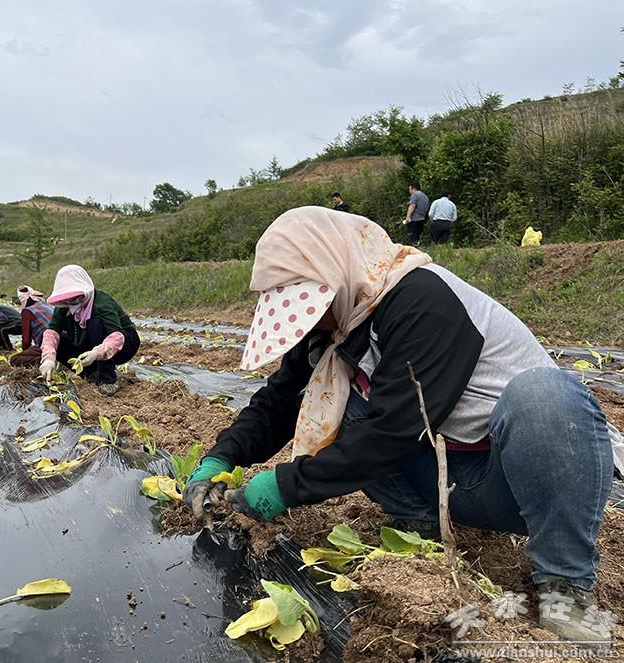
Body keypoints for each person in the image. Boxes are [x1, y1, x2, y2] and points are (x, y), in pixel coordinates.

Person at [182, 207, 621, 644]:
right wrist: (221, 456)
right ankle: (420, 524)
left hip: (522, 484)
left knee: (543, 395)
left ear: (338, 272)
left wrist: (283, 487)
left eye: (311, 302)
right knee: (343, 402)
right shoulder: (337, 324)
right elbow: (277, 402)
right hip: (445, 482)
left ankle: (565, 583)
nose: (312, 321)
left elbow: (392, 429)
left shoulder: (422, 299)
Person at [39, 265, 140, 396]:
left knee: (95, 323)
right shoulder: (64, 306)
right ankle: (91, 373)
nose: (73, 302)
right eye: (69, 299)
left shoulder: (102, 303)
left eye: (77, 297)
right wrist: (48, 359)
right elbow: (51, 333)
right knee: (56, 339)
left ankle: (108, 380)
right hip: (88, 340)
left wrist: (97, 353)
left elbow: (116, 336)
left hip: (124, 344)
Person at [9, 285, 55, 368]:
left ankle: (48, 360)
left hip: (47, 344)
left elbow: (26, 341)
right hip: (62, 340)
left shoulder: (27, 311)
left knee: (14, 359)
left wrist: (25, 352)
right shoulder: (47, 305)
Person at [404, 182, 429, 246]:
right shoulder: (425, 197)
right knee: (418, 238)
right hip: (422, 220)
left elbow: (412, 205)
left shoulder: (415, 195)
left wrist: (408, 217)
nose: (409, 191)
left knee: (413, 239)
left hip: (414, 220)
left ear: (413, 189)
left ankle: (413, 253)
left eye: (410, 189)